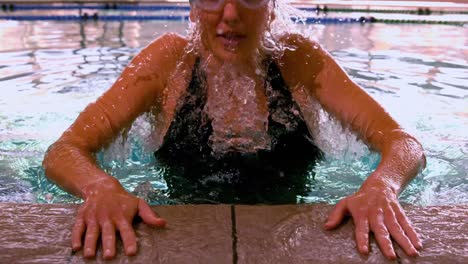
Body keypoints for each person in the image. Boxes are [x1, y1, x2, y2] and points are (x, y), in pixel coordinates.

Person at [43, 0, 426, 260]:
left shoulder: (298, 61)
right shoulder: (167, 63)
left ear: (271, 8)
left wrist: (381, 186)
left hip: (288, 242)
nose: (230, 14)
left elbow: (402, 142)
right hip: (180, 238)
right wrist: (102, 187)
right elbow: (67, 149)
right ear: (193, 9)